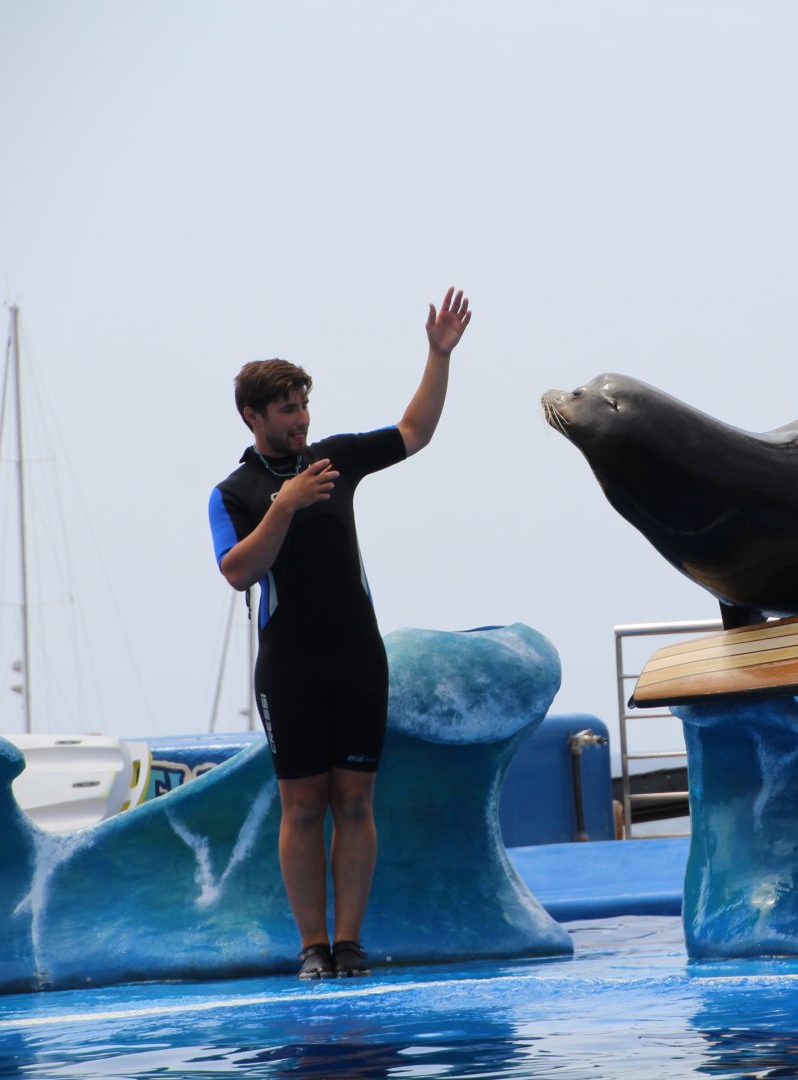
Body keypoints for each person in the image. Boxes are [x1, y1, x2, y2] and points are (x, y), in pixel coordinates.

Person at [208, 287, 471, 979]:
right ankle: (312, 948)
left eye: (303, 406)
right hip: (290, 664)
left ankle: (349, 944)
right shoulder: (233, 493)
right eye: (287, 409)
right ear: (253, 415)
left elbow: (416, 430)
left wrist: (437, 354)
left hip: (357, 657)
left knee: (354, 800)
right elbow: (237, 571)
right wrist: (285, 507)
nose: (300, 420)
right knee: (303, 804)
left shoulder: (335, 458)